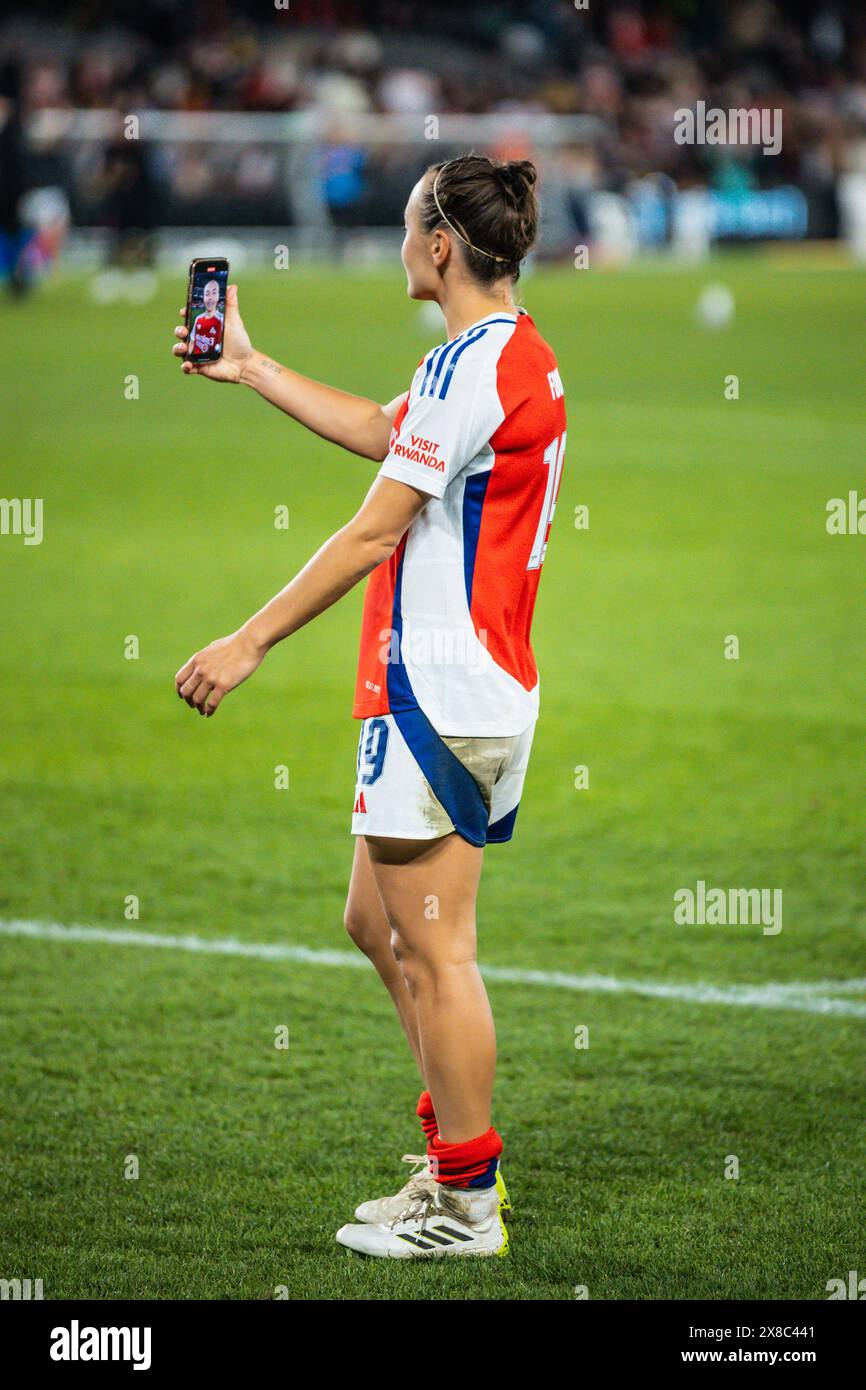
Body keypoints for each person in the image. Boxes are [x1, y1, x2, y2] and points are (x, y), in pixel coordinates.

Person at [171, 154, 566, 1259]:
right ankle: (450, 1161)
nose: (399, 244)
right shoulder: (504, 355)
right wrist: (248, 367)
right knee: (374, 922)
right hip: (465, 683)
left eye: (405, 228)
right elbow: (377, 431)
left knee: (437, 947)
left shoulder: (466, 369)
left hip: (439, 689)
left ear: (439, 246)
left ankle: (464, 1204)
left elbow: (369, 529)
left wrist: (247, 639)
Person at [189, 279, 224, 356]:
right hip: (195, 362)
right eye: (207, 294)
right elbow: (192, 341)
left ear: (218, 296)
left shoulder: (222, 320)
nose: (210, 297)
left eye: (214, 293)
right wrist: (187, 357)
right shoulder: (198, 318)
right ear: (203, 297)